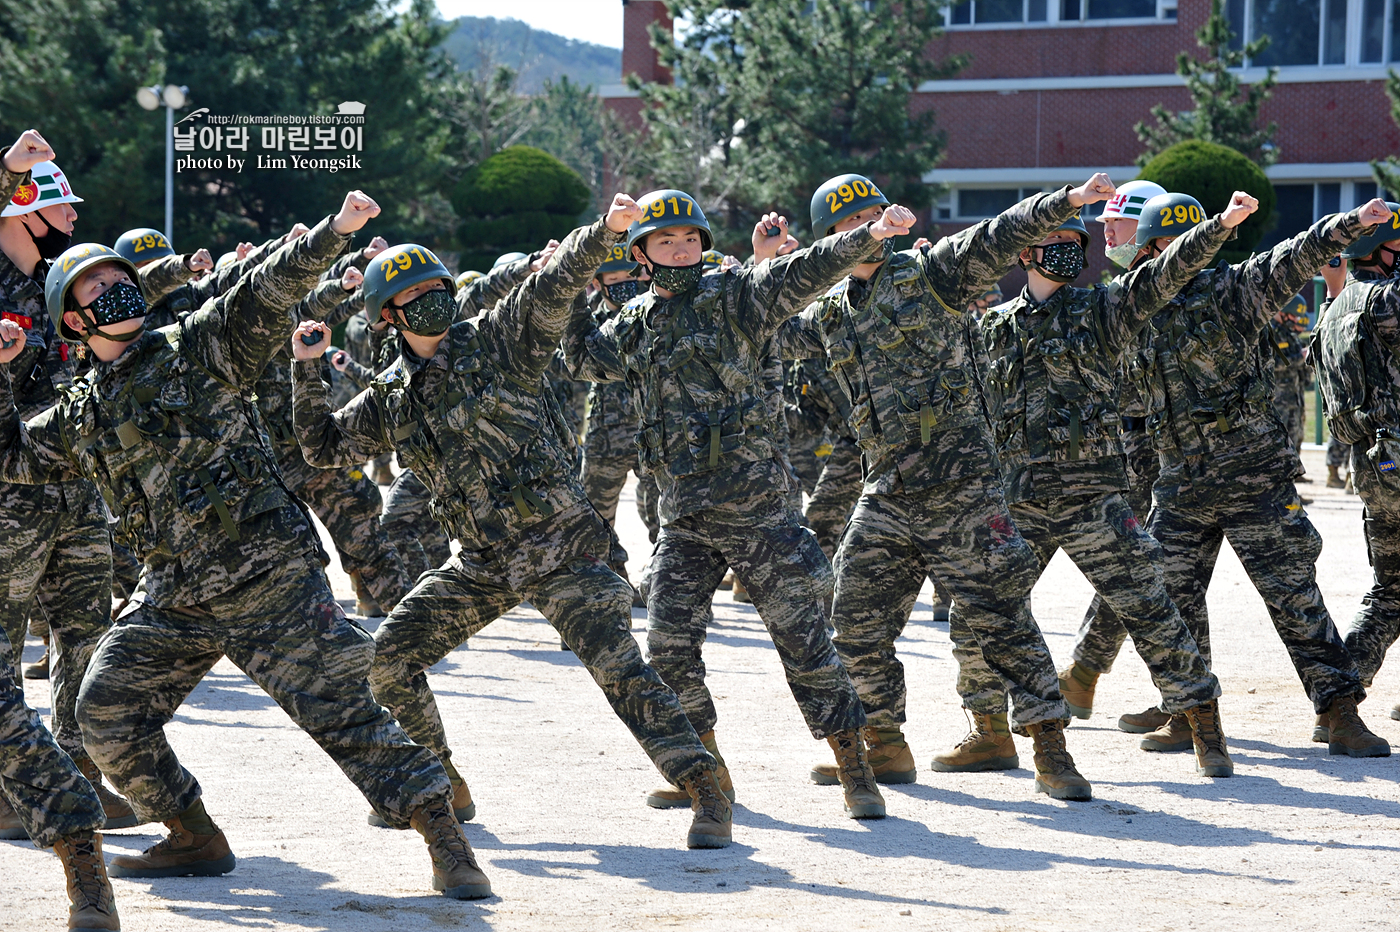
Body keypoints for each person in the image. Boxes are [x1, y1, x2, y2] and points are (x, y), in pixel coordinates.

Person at [0, 189, 496, 901]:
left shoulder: (200, 344)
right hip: (174, 593)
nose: (115, 293)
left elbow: (269, 287)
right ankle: (192, 834)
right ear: (72, 322)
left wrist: (337, 231)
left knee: (345, 713)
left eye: (119, 281)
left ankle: (445, 841)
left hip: (267, 574)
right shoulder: (83, 411)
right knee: (104, 713)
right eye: (95, 290)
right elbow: (15, 459)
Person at [292, 198, 736, 851]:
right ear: (388, 316)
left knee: (620, 668)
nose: (431, 301)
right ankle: (441, 785)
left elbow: (553, 285)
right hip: (484, 560)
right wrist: (307, 371)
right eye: (413, 295)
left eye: (437, 289)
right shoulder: (390, 395)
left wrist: (605, 234)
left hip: (561, 545)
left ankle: (705, 791)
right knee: (391, 659)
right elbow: (324, 448)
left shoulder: (498, 338)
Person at [565, 188, 913, 820]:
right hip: (685, 522)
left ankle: (855, 767)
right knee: (668, 647)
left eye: (691, 239)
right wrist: (580, 267)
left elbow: (805, 271)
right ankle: (705, 769)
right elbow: (582, 356)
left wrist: (871, 236)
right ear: (641, 254)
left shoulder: (738, 298)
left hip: (762, 518)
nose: (683, 250)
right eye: (666, 241)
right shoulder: (635, 324)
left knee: (805, 645)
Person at [773, 173, 1114, 798]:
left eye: (873, 216)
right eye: (848, 226)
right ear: (829, 240)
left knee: (1002, 618)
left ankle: (1051, 751)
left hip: (963, 489)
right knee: (855, 619)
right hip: (889, 490)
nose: (866, 231)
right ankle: (885, 743)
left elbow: (998, 234)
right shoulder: (827, 313)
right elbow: (755, 324)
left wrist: (1065, 204)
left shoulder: (932, 277)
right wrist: (770, 262)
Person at [1059, 194, 1391, 758]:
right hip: (1180, 481)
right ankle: (1187, 711)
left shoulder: (1233, 289)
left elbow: (1298, 253)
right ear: (1155, 247)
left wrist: (1352, 224)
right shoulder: (1129, 303)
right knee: (1175, 600)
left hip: (1253, 476)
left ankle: (1339, 712)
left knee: (1294, 596)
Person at [968, 190, 1259, 781]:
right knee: (978, 612)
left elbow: (1165, 272)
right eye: (1058, 244)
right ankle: (995, 734)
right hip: (1018, 501)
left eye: (1079, 244)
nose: (1072, 253)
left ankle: (1206, 728)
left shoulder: (1103, 310)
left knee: (1151, 610)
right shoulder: (990, 330)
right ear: (1025, 253)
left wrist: (1220, 228)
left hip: (1093, 499)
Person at [0, 126, 124, 932]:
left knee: (84, 635)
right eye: (58, 208)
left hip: (72, 492)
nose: (72, 220)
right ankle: (18, 790)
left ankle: (73, 773)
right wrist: (11, 167)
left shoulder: (55, 286)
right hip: (6, 497)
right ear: (22, 209)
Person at [1314, 202, 1400, 731]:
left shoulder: (1338, 306)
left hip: (1371, 467)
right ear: (1375, 251)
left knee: (1391, 590)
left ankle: (1337, 699)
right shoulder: (1388, 300)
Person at [577, 244, 658, 599]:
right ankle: (610, 585)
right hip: (605, 436)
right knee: (594, 519)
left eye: (629, 276)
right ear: (599, 283)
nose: (625, 283)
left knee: (663, 514)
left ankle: (666, 587)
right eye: (615, 279)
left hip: (651, 432)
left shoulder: (650, 313)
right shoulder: (586, 321)